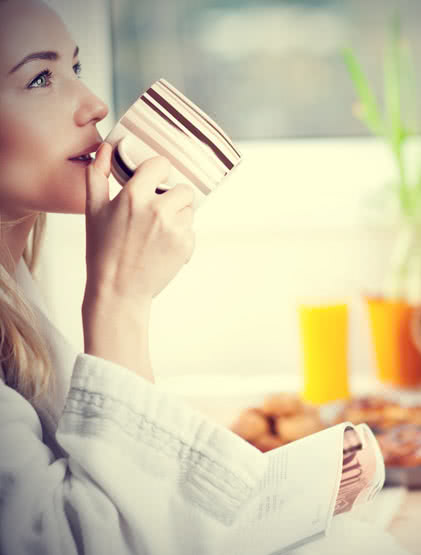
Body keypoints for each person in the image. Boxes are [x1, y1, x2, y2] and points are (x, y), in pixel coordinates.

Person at [0, 1, 268, 553]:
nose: (94, 105)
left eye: (76, 68)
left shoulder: (20, 286)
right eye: (41, 78)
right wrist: (119, 298)